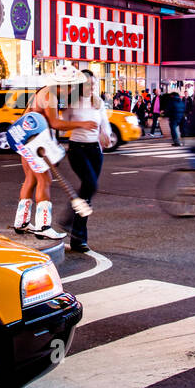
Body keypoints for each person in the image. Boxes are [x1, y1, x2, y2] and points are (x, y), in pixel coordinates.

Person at [11, 65, 97, 240]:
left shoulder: (45, 92)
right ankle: (43, 226)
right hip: (33, 142)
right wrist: (82, 124)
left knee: (30, 179)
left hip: (25, 138)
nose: (73, 88)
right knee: (45, 179)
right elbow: (55, 123)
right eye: (71, 85)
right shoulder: (50, 96)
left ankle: (22, 223)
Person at [64, 70, 112, 254]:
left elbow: (104, 122)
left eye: (93, 84)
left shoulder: (98, 101)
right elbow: (61, 124)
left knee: (87, 193)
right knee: (90, 184)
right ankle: (68, 220)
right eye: (87, 84)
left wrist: (105, 134)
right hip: (77, 148)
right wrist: (80, 125)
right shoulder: (72, 101)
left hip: (95, 150)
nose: (91, 87)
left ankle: (78, 239)